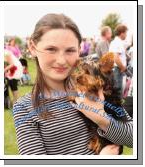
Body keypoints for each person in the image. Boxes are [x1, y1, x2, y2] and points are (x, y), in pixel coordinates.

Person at [13, 13, 132, 155]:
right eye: (51, 49)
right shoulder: (25, 107)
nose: (62, 60)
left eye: (70, 50)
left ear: (79, 50)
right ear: (32, 48)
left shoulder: (95, 89)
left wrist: (100, 118)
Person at [109, 24, 128, 98]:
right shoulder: (118, 42)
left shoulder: (115, 42)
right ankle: (117, 108)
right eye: (126, 33)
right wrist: (123, 67)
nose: (126, 35)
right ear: (122, 33)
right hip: (117, 69)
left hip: (116, 69)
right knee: (117, 91)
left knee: (115, 90)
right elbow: (116, 57)